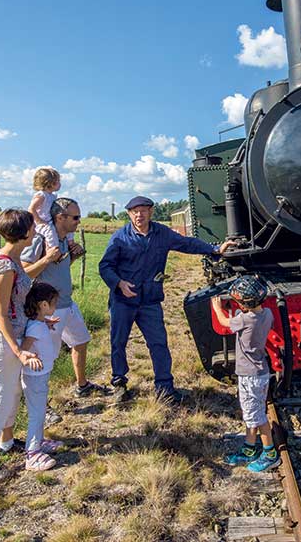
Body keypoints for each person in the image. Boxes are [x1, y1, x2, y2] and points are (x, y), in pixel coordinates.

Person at [99, 195, 236, 403]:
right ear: (129, 214)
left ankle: (164, 388)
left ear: (151, 212)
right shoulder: (119, 238)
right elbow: (105, 266)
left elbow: (186, 243)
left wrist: (214, 250)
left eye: (143, 210)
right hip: (123, 300)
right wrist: (119, 283)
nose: (139, 215)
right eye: (135, 211)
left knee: (159, 344)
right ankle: (119, 384)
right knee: (118, 343)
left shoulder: (161, 233)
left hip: (150, 301)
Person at [21, 197, 104, 419]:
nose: (79, 221)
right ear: (60, 217)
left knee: (81, 341)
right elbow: (25, 271)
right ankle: (42, 407)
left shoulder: (64, 240)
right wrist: (48, 258)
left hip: (67, 303)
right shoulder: (41, 240)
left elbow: (58, 267)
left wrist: (73, 256)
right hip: (48, 311)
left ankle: (82, 385)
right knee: (45, 357)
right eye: (75, 217)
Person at [0, 209, 41, 480]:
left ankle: (6, 443)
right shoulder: (3, 266)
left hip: (12, 338)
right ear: (24, 233)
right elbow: (0, 312)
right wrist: (16, 348)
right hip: (2, 340)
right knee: (0, 396)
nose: (36, 230)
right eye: (32, 227)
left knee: (13, 392)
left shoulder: (14, 260)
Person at [211, 276, 281, 473]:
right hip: (259, 372)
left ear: (244, 304)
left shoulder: (244, 319)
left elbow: (225, 322)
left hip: (250, 376)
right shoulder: (266, 313)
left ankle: (270, 454)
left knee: (257, 416)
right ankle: (250, 448)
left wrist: (218, 308)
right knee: (252, 413)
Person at [21, 282, 65, 471]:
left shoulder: (38, 323)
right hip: (34, 377)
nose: (55, 307)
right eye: (53, 303)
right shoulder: (34, 328)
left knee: (39, 411)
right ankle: (32, 453)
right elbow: (24, 348)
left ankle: (39, 442)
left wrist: (46, 323)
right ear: (44, 305)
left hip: (40, 375)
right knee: (37, 414)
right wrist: (27, 359)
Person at [28, 167, 74, 250]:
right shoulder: (42, 195)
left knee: (67, 226)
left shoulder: (52, 196)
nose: (60, 184)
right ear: (50, 183)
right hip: (44, 223)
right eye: (58, 181)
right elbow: (31, 209)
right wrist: (39, 221)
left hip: (51, 221)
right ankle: (52, 249)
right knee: (50, 233)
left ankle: (70, 244)